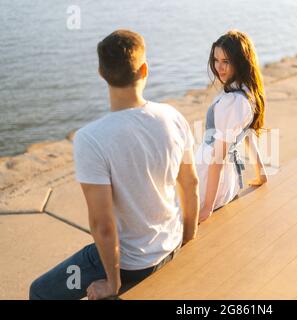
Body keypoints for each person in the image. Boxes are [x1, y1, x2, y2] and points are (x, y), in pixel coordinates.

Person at [29, 29, 199, 300]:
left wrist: (112, 283)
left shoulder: (90, 139)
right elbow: (191, 184)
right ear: (144, 70)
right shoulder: (173, 116)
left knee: (40, 292)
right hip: (171, 242)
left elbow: (103, 225)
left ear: (101, 73)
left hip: (133, 264)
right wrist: (187, 237)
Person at [196, 30, 268, 223]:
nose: (219, 67)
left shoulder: (233, 101)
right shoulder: (247, 91)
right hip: (225, 176)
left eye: (226, 61)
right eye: (216, 60)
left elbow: (218, 157)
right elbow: (248, 134)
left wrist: (207, 208)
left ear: (241, 61)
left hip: (210, 175)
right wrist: (261, 173)